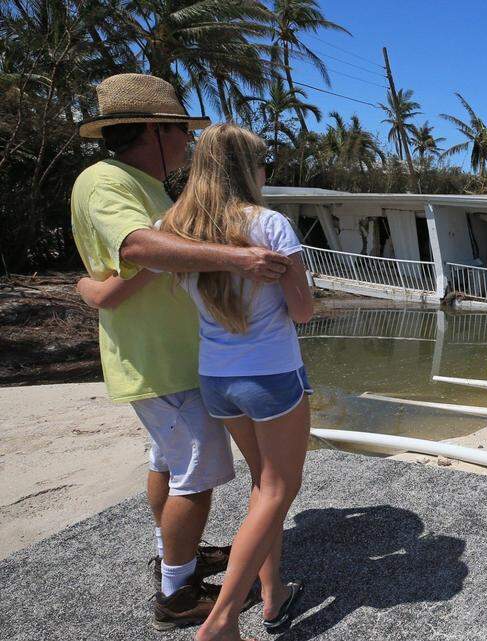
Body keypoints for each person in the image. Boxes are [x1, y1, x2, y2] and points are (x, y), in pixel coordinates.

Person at [70, 73, 291, 631]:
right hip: (157, 358)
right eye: (181, 133)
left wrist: (96, 288)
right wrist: (238, 259)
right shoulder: (104, 181)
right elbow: (139, 247)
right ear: (154, 129)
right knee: (200, 469)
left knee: (167, 462)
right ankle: (178, 591)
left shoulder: (145, 184)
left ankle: (176, 554)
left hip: (174, 354)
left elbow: (138, 261)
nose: (188, 146)